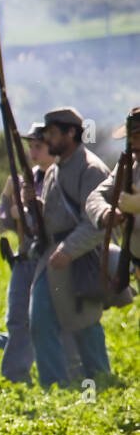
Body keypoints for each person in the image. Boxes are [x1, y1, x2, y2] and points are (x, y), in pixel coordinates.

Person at [22, 107, 111, 389]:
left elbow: (97, 223)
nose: (47, 139)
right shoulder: (53, 172)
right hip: (54, 252)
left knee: (84, 322)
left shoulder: (91, 169)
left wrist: (69, 250)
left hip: (81, 254)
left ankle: (101, 382)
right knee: (41, 320)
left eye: (52, 133)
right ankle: (55, 386)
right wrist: (33, 207)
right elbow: (51, 218)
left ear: (71, 133)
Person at [0, 121, 54, 383]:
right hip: (25, 258)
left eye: (38, 147)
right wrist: (10, 208)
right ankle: (15, 376)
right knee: (17, 319)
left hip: (49, 259)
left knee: (49, 322)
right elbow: (5, 217)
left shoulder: (58, 180)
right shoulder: (27, 180)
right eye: (31, 147)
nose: (33, 153)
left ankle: (58, 377)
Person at [85, 105, 140, 317]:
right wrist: (105, 212)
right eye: (132, 136)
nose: (134, 142)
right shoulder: (128, 166)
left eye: (138, 136)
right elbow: (95, 197)